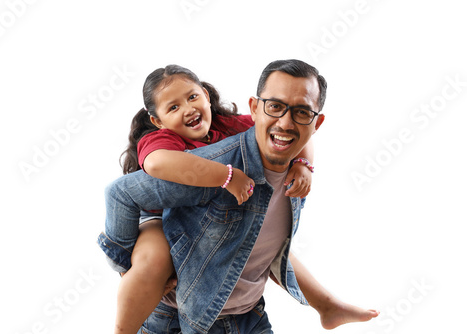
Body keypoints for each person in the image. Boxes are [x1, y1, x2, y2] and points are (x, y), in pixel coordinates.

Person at [98, 59, 379, 334]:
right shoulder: (163, 140)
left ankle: (326, 304)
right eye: (173, 107)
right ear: (158, 120)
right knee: (153, 260)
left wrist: (304, 165)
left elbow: (288, 127)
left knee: (271, 244)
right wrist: (226, 175)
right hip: (159, 217)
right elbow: (156, 165)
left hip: (234, 280)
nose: (188, 109)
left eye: (192, 97)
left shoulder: (231, 126)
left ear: (206, 96)